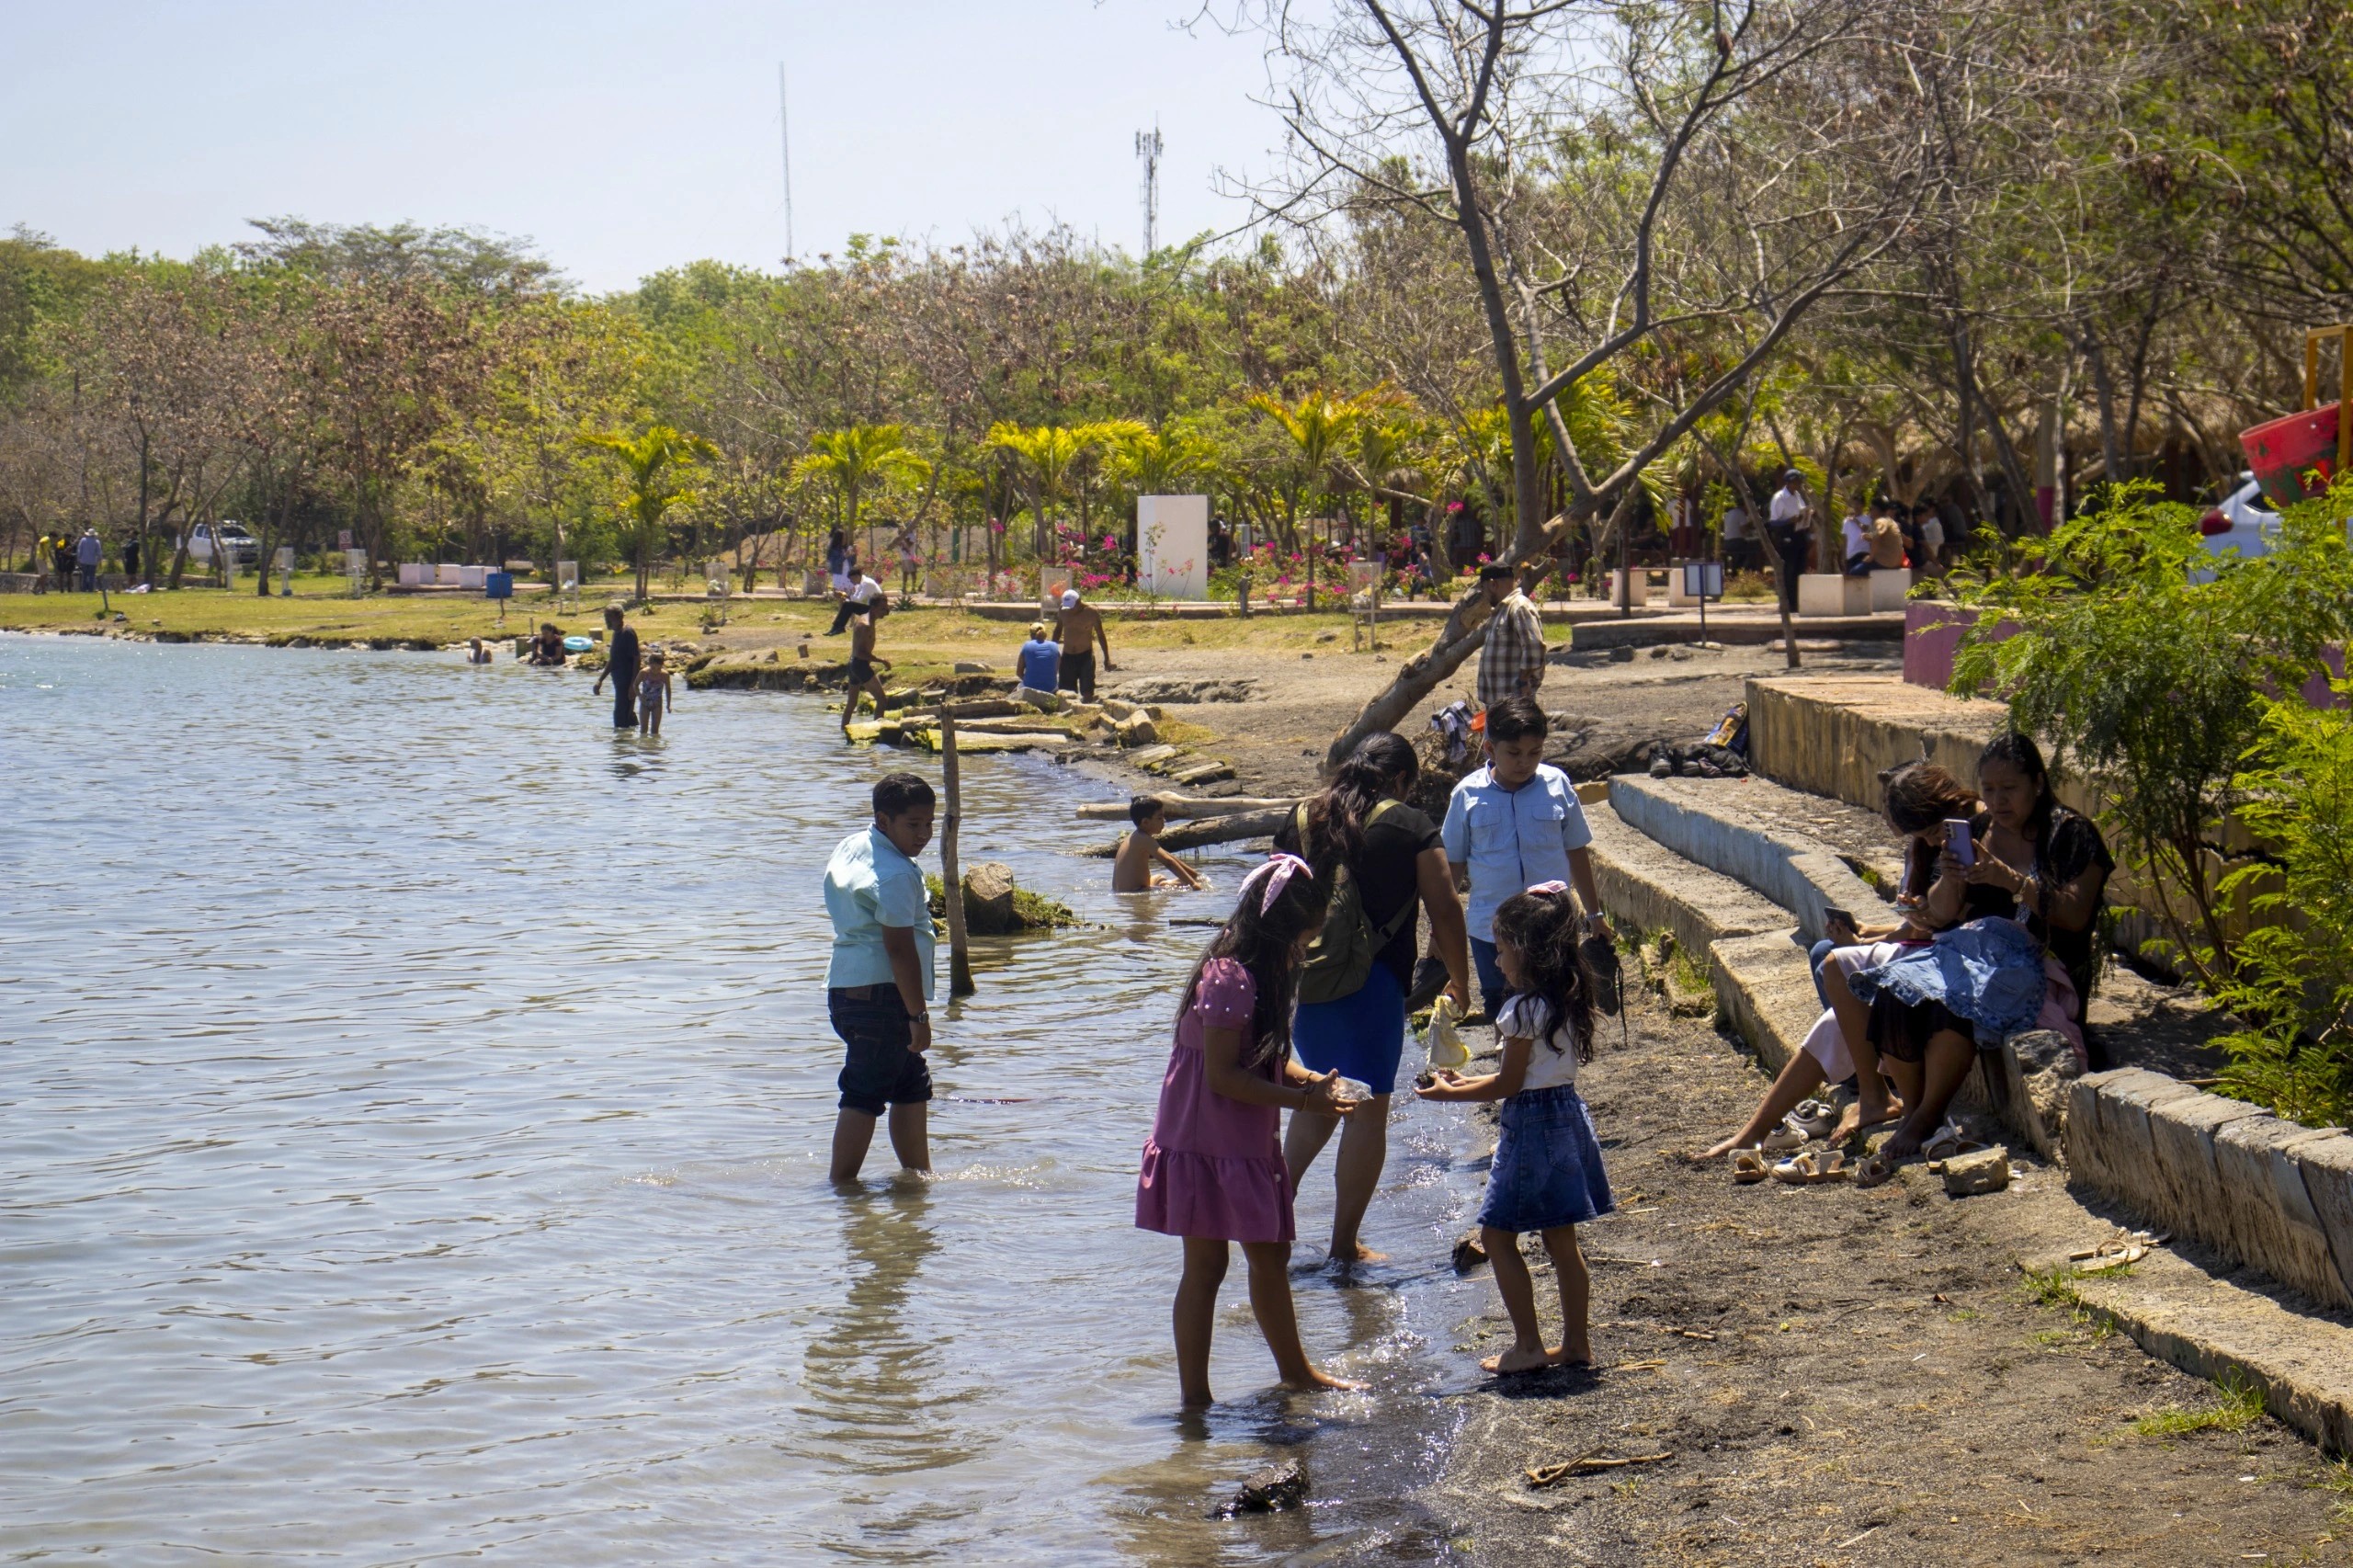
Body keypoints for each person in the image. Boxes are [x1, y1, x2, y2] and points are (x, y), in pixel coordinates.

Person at [1135, 852, 1366, 1406]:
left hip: (1236, 1135)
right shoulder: (1231, 976)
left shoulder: (1260, 971)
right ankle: (1196, 1399)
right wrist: (1301, 1104)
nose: (1306, 950)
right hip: (1205, 1137)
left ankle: (1295, 1372)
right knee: (1208, 1266)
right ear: (1280, 931)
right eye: (1305, 939)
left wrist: (1308, 1081)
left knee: (1269, 1258)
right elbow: (1221, 1076)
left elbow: (1258, 1058)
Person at [1699, 761, 1981, 1161]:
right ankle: (1754, 1133)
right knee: (1831, 986)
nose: (1929, 840)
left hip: (1943, 955)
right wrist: (1879, 928)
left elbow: (1937, 922)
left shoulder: (1965, 840)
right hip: (1925, 946)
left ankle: (1875, 1095)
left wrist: (1885, 928)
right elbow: (1925, 920)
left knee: (1832, 968)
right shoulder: (1929, 847)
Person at [1274, 732, 1473, 1263]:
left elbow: (1267, 901)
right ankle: (1343, 1246)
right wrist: (1460, 976)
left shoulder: (1301, 817)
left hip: (1303, 984)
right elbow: (1446, 907)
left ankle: (1267, 1219)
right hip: (1373, 984)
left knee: (1319, 1094)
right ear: (1404, 780)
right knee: (1366, 1109)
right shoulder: (1409, 825)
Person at [1416, 884, 1611, 1371]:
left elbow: (1509, 1085)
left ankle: (1527, 1345)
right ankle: (1575, 1345)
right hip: (1565, 1113)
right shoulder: (1563, 996)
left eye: (1501, 951)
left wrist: (1449, 1094)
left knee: (1499, 1237)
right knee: (1560, 1241)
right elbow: (1531, 1075)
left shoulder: (1520, 1009)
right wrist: (1467, 1079)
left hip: (1533, 1126)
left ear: (1524, 950)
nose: (1498, 962)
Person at [1442, 697, 1609, 1019]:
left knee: (1557, 1004)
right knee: (1500, 1007)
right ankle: (1507, 1071)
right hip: (1489, 927)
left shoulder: (1557, 784)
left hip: (1552, 925)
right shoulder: (1467, 795)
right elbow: (1453, 864)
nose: (1525, 762)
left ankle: (1548, 1070)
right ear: (1490, 749)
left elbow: (1576, 849)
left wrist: (1595, 914)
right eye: (1514, 753)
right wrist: (1440, 932)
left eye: (1535, 753)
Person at [824, 772, 940, 1182]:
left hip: (847, 990)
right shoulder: (897, 874)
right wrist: (918, 1016)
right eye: (914, 825)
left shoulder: (856, 845)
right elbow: (899, 949)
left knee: (911, 1083)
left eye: (930, 823)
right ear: (884, 820)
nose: (924, 834)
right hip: (883, 996)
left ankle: (918, 1182)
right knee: (865, 1092)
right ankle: (842, 1190)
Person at [1473, 563, 1546, 710]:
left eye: (1484, 589)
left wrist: (1524, 681)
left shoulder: (1519, 607)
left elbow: (1534, 647)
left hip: (1514, 704)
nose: (1484, 595)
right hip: (1498, 704)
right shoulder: (1502, 610)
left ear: (1493, 584)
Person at [1114, 796, 1210, 892]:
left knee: (1159, 878)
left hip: (1123, 890)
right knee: (1183, 886)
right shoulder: (1144, 839)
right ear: (1145, 822)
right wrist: (1193, 884)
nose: (1164, 820)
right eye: (1160, 818)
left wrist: (1196, 875)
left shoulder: (1136, 836)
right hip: (1134, 891)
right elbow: (1168, 862)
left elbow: (1169, 857)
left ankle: (1179, 882)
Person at [841, 597, 892, 733]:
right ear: (873, 608)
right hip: (859, 665)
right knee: (882, 700)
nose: (886, 611)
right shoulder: (865, 625)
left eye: (887, 607)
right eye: (883, 608)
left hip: (853, 665)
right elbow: (859, 653)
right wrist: (880, 660)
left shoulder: (869, 619)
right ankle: (878, 732)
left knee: (852, 704)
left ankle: (843, 732)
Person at [1053, 588, 1112, 702]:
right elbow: (1058, 630)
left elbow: (1100, 634)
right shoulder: (1063, 610)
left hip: (1085, 655)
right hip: (1068, 656)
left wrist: (1107, 657)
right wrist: (1051, 649)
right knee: (1066, 693)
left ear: (1079, 601)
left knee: (1087, 691)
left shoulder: (1091, 612)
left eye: (1072, 605)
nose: (1070, 608)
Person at [1766, 471, 1813, 609]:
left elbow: (1802, 511)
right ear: (1790, 482)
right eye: (1797, 481)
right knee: (1789, 570)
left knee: (1800, 568)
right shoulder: (1779, 498)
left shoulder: (1797, 495)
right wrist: (1789, 521)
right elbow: (1773, 522)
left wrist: (1808, 514)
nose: (1799, 484)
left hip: (1799, 533)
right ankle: (1788, 603)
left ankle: (1797, 602)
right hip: (1786, 535)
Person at [590, 606, 639, 728]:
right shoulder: (616, 634)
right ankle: (639, 741)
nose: (606, 620)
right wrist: (600, 680)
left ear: (619, 617)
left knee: (621, 719)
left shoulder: (627, 632)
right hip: (618, 682)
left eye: (609, 617)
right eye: (605, 617)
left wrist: (633, 685)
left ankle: (623, 745)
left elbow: (637, 659)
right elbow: (613, 660)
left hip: (627, 682)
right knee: (626, 718)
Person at [827, 563, 883, 636]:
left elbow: (858, 600)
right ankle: (836, 627)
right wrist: (844, 596)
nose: (851, 582)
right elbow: (854, 598)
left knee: (848, 605)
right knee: (847, 604)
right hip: (872, 606)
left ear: (857, 576)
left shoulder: (867, 583)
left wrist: (844, 595)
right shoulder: (861, 583)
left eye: (852, 579)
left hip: (877, 609)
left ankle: (839, 627)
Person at [1015, 620, 1061, 708]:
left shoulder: (1027, 646)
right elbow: (1055, 671)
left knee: (1017, 689)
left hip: (1030, 687)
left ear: (1031, 634)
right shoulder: (1054, 646)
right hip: (1051, 688)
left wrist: (1030, 679)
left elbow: (1019, 672)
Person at [636, 649, 674, 736]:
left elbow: (668, 689)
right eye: (653, 668)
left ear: (662, 666)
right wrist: (640, 696)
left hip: (657, 704)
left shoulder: (665, 675)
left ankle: (655, 748)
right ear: (649, 665)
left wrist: (668, 705)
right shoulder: (643, 673)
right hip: (645, 703)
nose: (656, 671)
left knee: (655, 731)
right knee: (643, 730)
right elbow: (635, 685)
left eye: (659, 668)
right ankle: (644, 747)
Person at [1839, 500, 1873, 575]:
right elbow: (1845, 539)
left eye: (1859, 504)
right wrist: (1843, 556)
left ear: (1863, 506)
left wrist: (1855, 520)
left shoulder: (1868, 519)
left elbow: (1866, 529)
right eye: (1855, 504)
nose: (1856, 507)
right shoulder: (1847, 521)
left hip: (1863, 553)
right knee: (1850, 578)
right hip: (1851, 555)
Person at [893, 523, 920, 596]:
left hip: (910, 557)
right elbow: (898, 544)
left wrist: (903, 537)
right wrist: (899, 538)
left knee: (913, 572)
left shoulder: (912, 536)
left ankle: (913, 588)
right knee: (905, 573)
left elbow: (909, 544)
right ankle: (904, 588)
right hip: (904, 557)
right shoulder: (902, 536)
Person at [75, 528, 101, 592]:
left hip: (84, 561)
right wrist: (99, 560)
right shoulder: (97, 542)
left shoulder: (83, 540)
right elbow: (99, 552)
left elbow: (79, 550)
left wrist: (78, 559)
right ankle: (90, 589)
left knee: (84, 575)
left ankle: (84, 588)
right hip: (92, 561)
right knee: (91, 576)